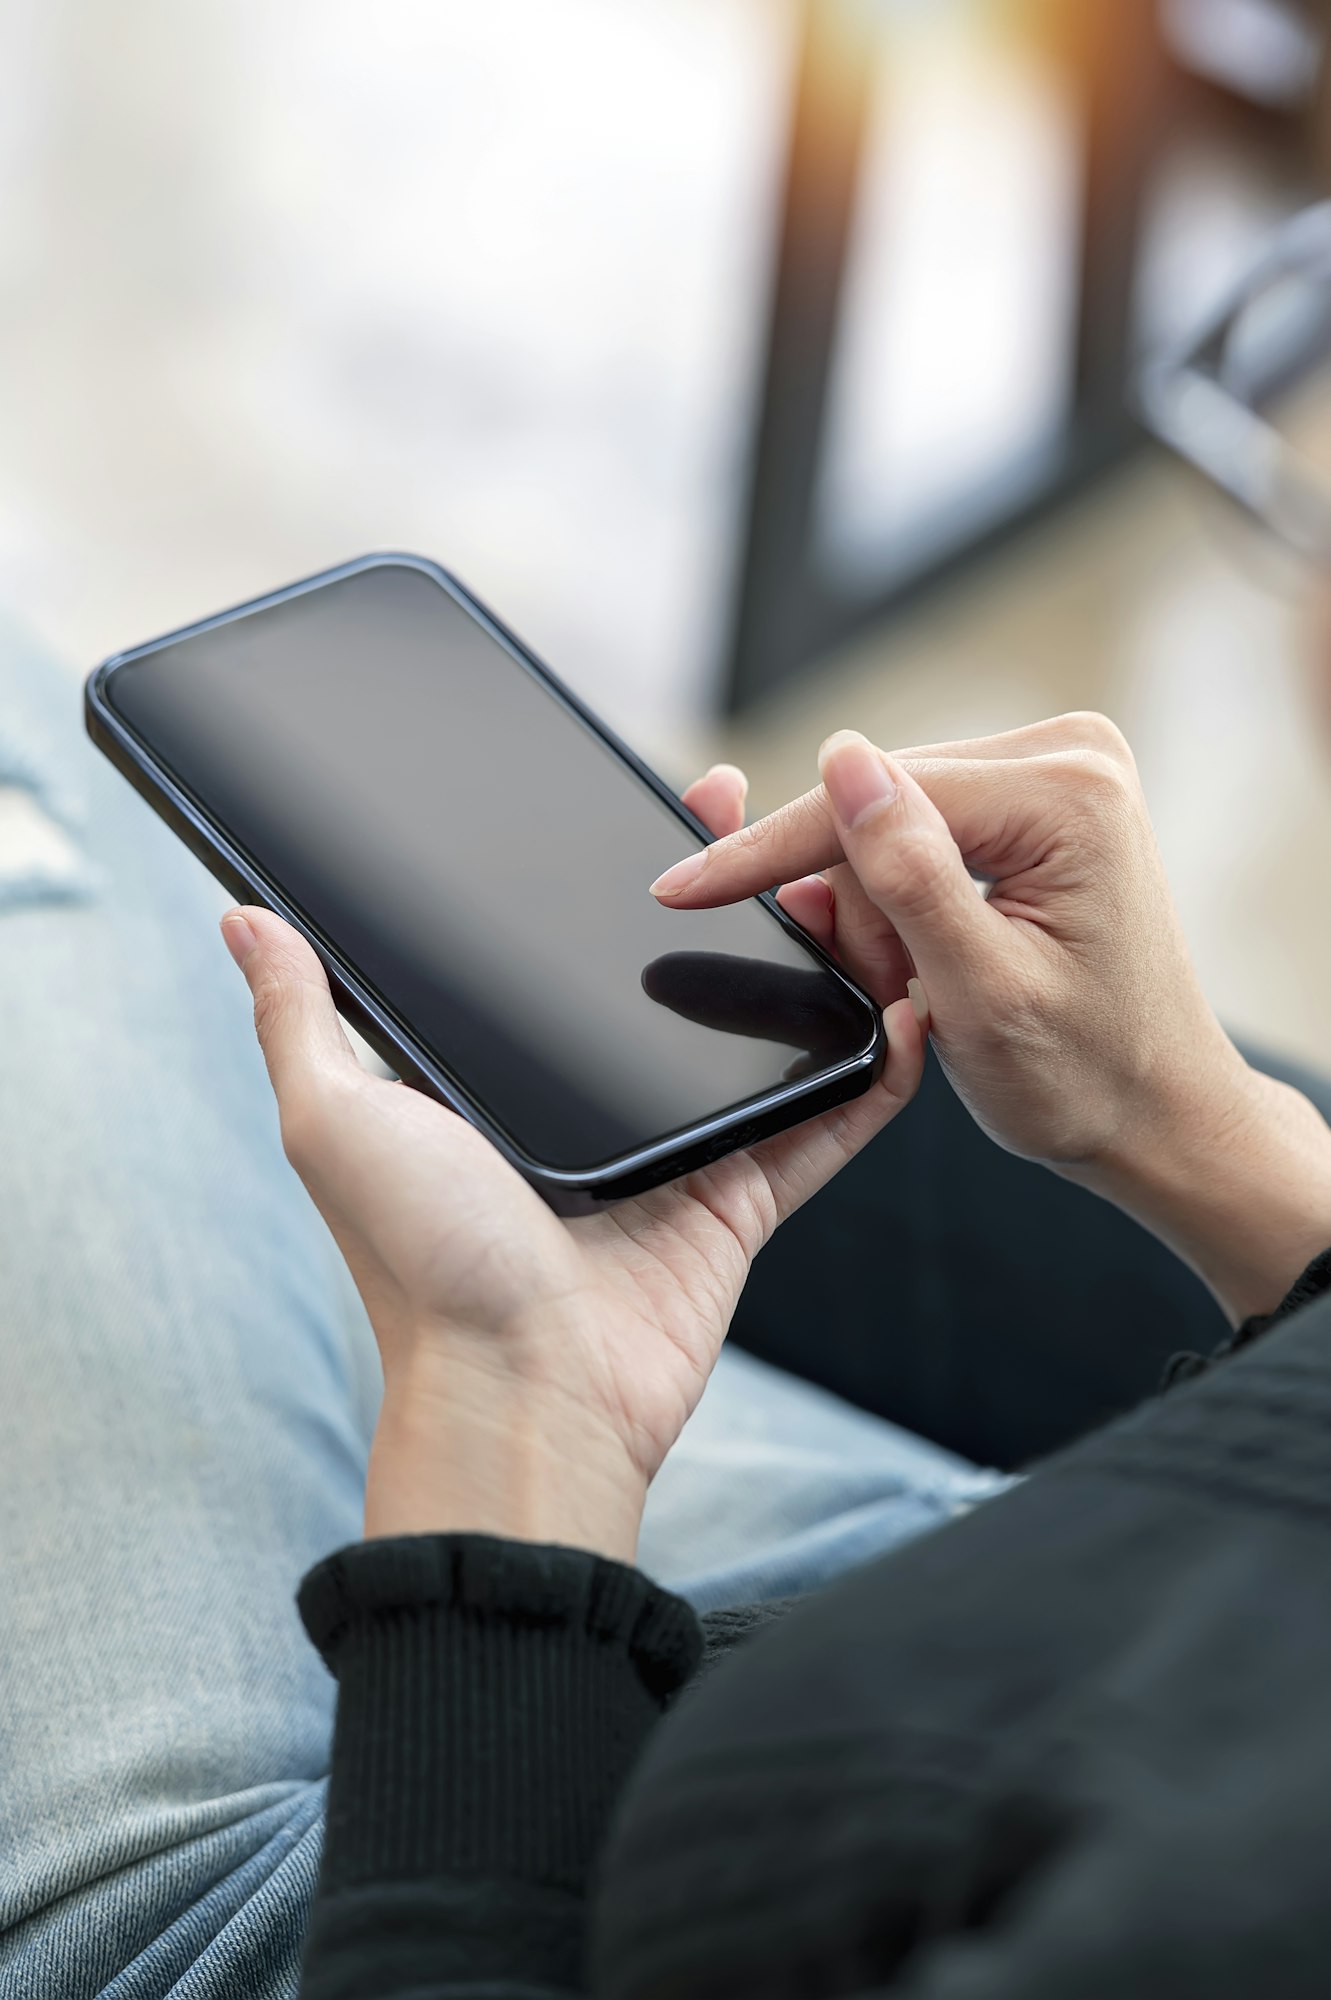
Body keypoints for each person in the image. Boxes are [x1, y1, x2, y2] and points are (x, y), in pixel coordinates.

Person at [2, 618, 1331, 1999]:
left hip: (524, 1880)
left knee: (44, 770)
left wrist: (514, 1404)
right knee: (398, 1055)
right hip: (1075, 1591)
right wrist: (1212, 1142)